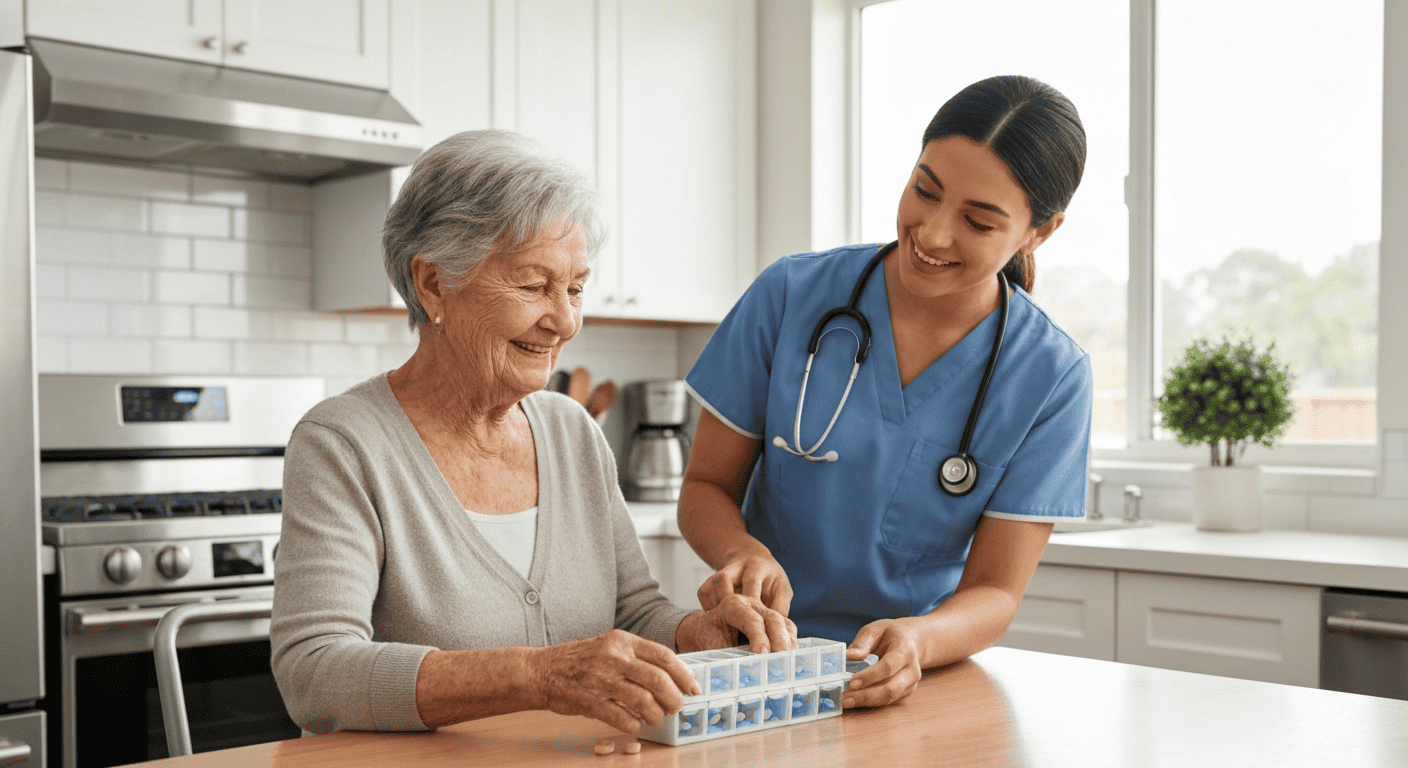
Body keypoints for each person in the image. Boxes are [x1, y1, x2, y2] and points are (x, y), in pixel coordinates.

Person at [270, 130, 794, 737]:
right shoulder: (343, 443)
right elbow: (314, 672)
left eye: (574, 288)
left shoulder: (572, 431)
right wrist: (537, 675)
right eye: (532, 286)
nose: (565, 321)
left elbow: (634, 612)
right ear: (433, 283)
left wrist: (698, 634)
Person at [678, 75, 1092, 710]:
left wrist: (919, 640)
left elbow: (996, 593)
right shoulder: (791, 295)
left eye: (978, 222)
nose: (931, 234)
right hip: (758, 662)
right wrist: (742, 553)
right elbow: (706, 488)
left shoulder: (1051, 376)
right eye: (924, 190)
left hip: (906, 681)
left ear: (1041, 231)